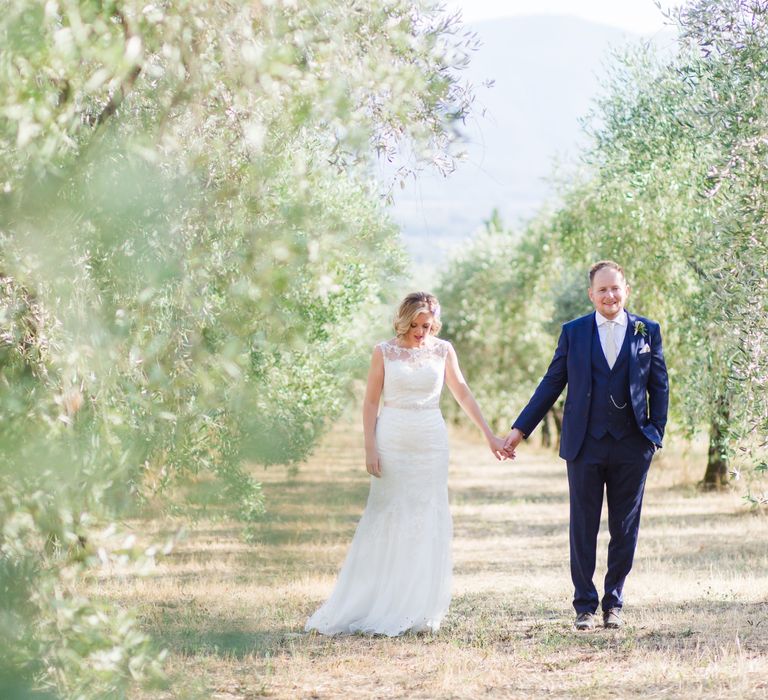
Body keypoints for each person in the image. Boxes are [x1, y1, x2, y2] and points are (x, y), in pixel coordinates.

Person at [305, 292, 510, 636]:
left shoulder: (442, 350)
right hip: (393, 438)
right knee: (388, 515)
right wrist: (370, 446)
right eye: (414, 325)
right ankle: (378, 600)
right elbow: (371, 402)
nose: (420, 331)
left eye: (426, 325)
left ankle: (417, 606)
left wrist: (489, 435)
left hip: (431, 441)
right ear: (403, 321)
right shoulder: (383, 352)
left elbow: (462, 392)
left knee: (427, 516)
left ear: (435, 323)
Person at [504, 261, 669, 631]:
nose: (610, 296)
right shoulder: (574, 332)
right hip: (584, 445)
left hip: (632, 445)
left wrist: (654, 433)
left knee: (625, 527)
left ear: (625, 289)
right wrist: (520, 430)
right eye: (602, 290)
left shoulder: (647, 331)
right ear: (591, 294)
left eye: (616, 288)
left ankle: (614, 602)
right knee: (583, 526)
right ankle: (585, 606)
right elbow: (551, 384)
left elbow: (659, 385)